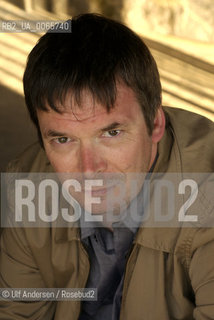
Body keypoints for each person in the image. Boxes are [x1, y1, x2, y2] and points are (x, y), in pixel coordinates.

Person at [0, 13, 214, 320]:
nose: (89, 169)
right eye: (63, 139)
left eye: (111, 133)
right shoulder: (27, 187)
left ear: (155, 123)